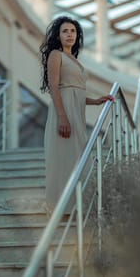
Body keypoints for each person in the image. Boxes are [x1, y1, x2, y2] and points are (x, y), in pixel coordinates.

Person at [40, 16, 114, 214]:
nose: (69, 34)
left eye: (73, 31)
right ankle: (59, 208)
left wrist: (96, 100)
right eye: (65, 31)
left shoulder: (75, 59)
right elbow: (55, 87)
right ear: (58, 35)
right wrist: (63, 118)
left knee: (77, 158)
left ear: (77, 35)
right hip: (63, 114)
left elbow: (77, 92)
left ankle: (75, 206)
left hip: (77, 114)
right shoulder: (56, 55)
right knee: (63, 159)